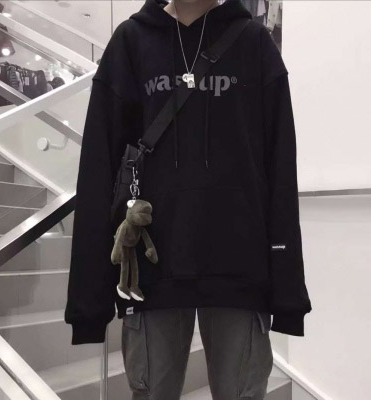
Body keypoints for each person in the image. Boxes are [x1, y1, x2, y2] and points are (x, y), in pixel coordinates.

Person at [64, 0, 312, 398]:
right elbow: (98, 168)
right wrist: (88, 303)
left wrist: (288, 292)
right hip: (151, 269)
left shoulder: (253, 43)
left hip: (240, 269)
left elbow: (280, 170)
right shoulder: (131, 42)